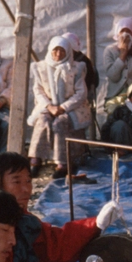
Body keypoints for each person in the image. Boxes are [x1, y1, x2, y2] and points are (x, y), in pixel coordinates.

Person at [29, 36, 90, 178]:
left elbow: (81, 93)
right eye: (55, 51)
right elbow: (38, 90)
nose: (58, 54)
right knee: (43, 121)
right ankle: (35, 159)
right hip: (48, 105)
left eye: (62, 51)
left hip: (70, 107)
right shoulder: (40, 67)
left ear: (68, 52)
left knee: (60, 122)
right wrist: (49, 106)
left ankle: (62, 162)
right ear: (50, 50)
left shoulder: (76, 68)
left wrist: (63, 107)